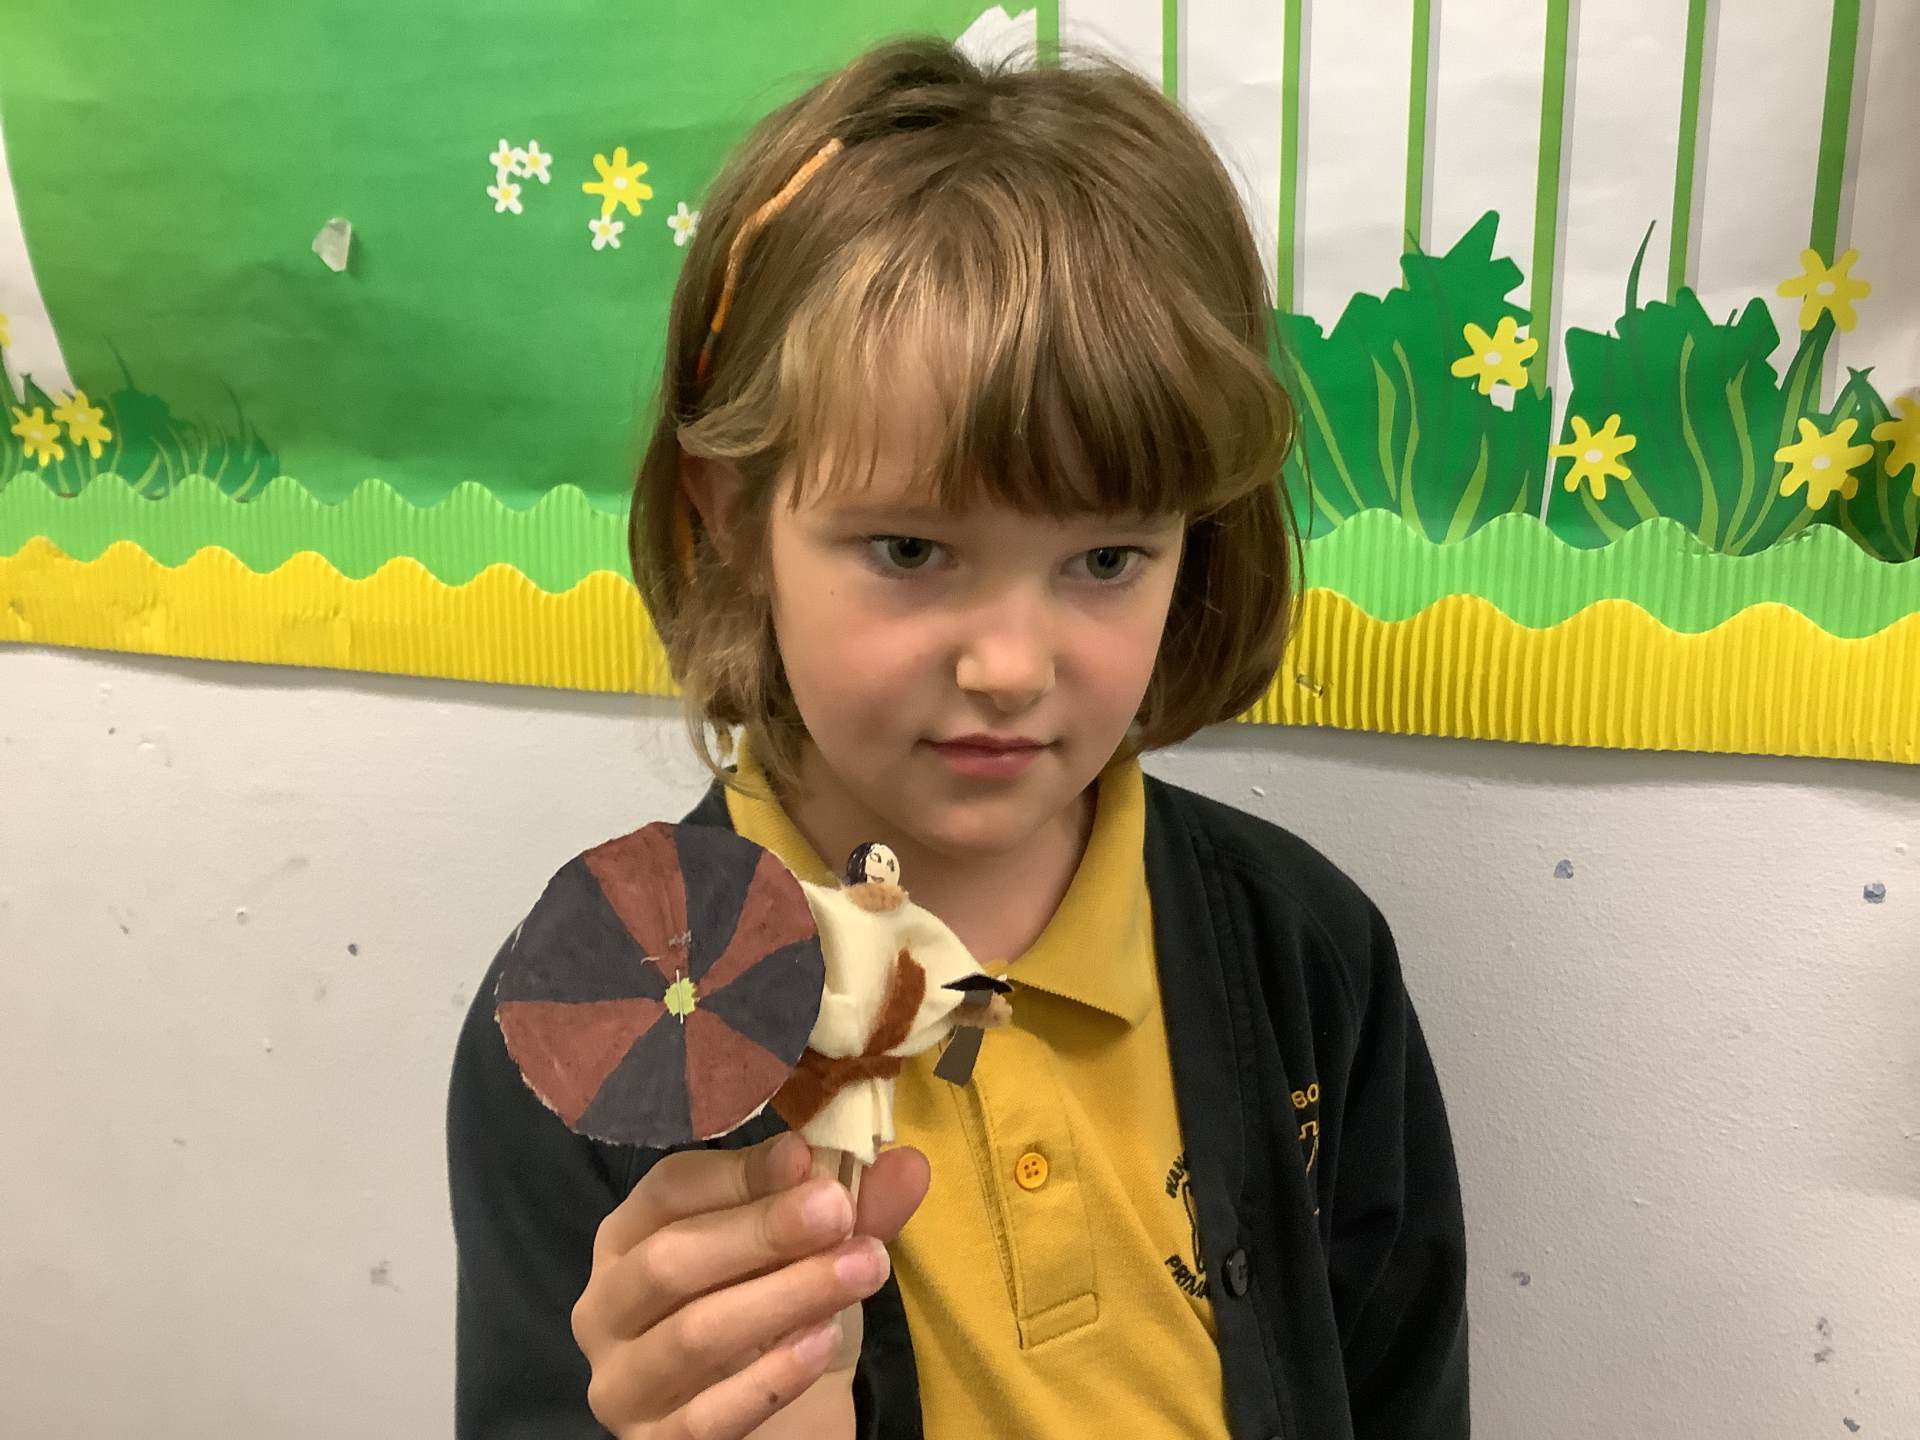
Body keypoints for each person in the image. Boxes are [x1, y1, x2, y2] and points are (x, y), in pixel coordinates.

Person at [448, 34, 1469, 1440]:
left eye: (1106, 558)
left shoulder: (1307, 958)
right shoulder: (595, 1015)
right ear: (732, 513)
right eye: (912, 548)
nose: (1008, 668)